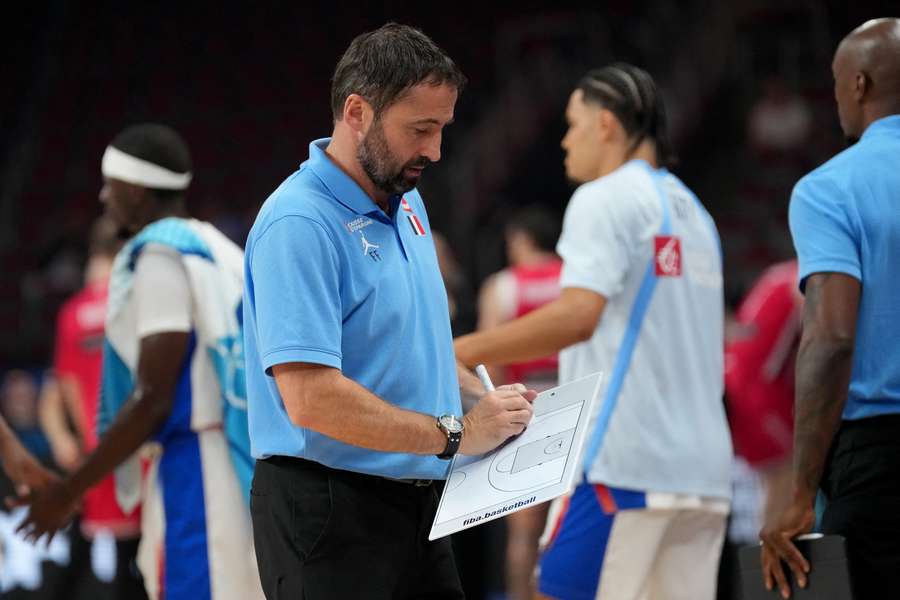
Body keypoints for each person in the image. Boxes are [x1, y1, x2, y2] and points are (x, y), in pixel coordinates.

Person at [243, 23, 536, 600]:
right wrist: (457, 432)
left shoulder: (408, 199)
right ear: (357, 112)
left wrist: (483, 400)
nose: (435, 150)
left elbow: (411, 355)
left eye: (442, 129)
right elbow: (310, 397)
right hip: (328, 509)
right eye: (420, 129)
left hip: (416, 499)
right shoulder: (298, 222)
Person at [454, 63, 733, 600]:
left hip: (625, 465)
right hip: (705, 477)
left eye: (573, 123)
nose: (564, 140)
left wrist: (464, 347)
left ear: (606, 125)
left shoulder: (603, 197)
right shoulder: (696, 213)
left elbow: (579, 315)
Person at [14, 123, 264, 600]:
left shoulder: (160, 256)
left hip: (199, 464)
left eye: (110, 185)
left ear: (136, 190)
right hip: (241, 453)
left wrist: (70, 490)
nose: (104, 197)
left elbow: (153, 398)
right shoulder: (217, 246)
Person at [759, 18, 900, 600]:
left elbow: (832, 338)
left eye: (837, 81)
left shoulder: (830, 189)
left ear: (860, 84)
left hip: (879, 462)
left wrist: (799, 492)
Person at [40, 215, 147, 599]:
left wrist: (61, 440)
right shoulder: (138, 304)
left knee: (100, 561)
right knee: (140, 564)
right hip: (143, 455)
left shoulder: (72, 314)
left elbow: (56, 392)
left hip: (95, 457)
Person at [476, 206, 562, 600]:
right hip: (576, 401)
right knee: (565, 522)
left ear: (521, 240)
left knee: (523, 528)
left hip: (525, 406)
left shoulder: (502, 286)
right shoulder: (575, 281)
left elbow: (488, 358)